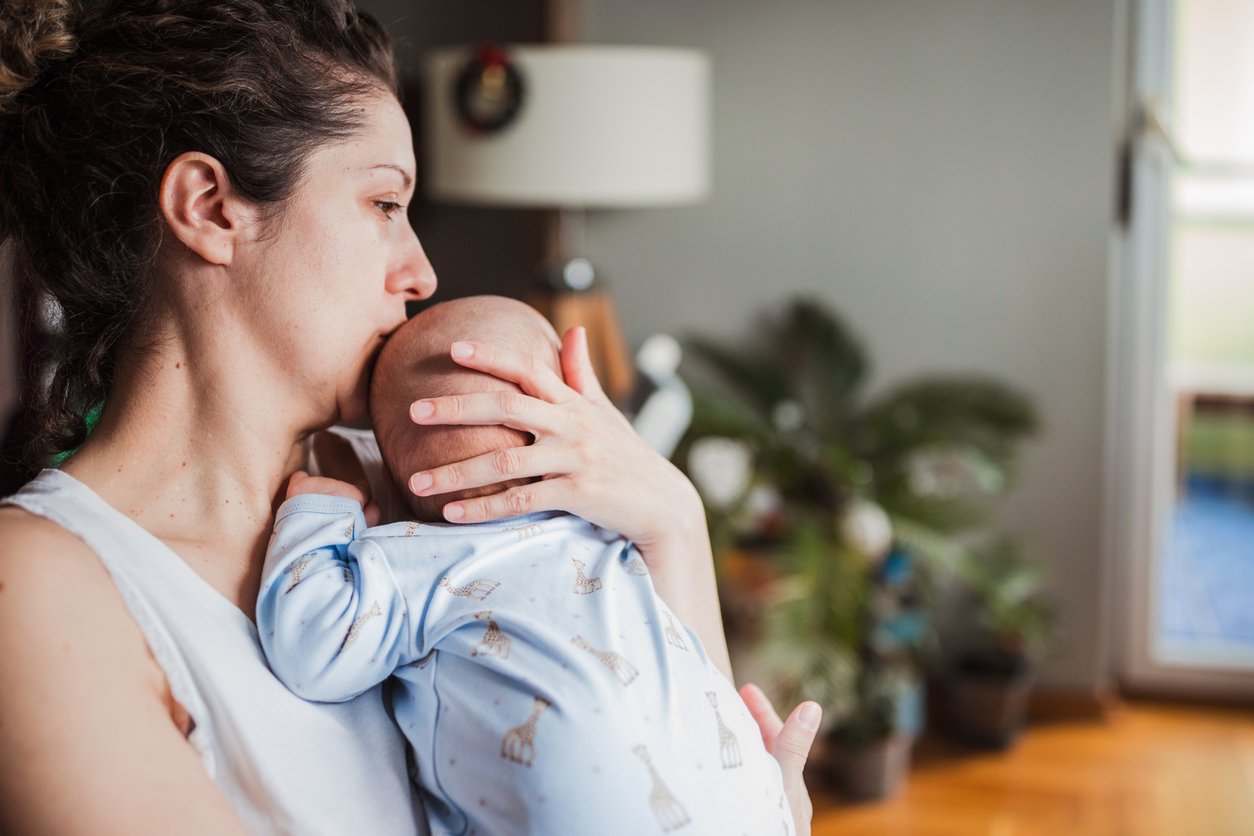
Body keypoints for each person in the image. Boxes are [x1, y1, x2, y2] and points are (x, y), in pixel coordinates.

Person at [0, 1, 819, 834]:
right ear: (212, 207)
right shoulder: (39, 585)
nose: (423, 272)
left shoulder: (425, 485)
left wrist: (670, 521)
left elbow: (680, 766)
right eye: (386, 205)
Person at [259, 295, 795, 836]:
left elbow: (314, 650)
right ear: (575, 407)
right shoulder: (615, 536)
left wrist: (318, 514)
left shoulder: (415, 558)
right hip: (752, 807)